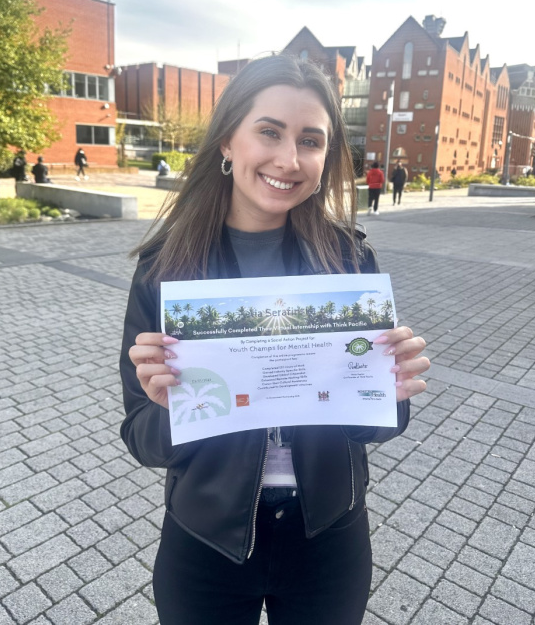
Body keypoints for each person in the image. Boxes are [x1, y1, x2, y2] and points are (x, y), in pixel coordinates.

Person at [119, 55, 429, 625]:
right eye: (269, 132)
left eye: (310, 140)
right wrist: (167, 410)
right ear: (227, 141)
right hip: (207, 537)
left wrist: (389, 393)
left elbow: (379, 425)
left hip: (327, 535)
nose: (289, 159)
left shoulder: (348, 263)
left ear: (326, 156)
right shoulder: (166, 272)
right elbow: (143, 441)